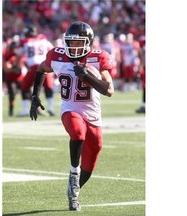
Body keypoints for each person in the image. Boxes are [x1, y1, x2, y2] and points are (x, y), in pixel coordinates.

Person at [29, 21, 114, 211]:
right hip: (70, 108)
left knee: (95, 151)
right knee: (77, 132)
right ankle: (73, 172)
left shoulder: (98, 57)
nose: (74, 47)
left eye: (78, 42)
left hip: (92, 113)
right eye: (71, 42)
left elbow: (109, 90)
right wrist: (35, 96)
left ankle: (73, 190)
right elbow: (42, 69)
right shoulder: (58, 56)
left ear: (88, 42)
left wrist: (88, 77)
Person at [17, 25, 55, 117]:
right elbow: (53, 50)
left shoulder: (24, 41)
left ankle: (25, 110)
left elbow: (18, 54)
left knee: (25, 87)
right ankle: (51, 108)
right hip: (45, 65)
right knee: (48, 87)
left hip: (33, 66)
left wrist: (16, 64)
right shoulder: (43, 39)